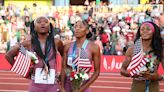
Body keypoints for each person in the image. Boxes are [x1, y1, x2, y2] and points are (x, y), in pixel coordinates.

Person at [5, 16, 64, 92]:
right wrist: (24, 71)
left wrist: (62, 73)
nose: (42, 24)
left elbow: (64, 56)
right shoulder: (28, 43)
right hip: (36, 85)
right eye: (39, 22)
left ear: (50, 27)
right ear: (34, 27)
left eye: (46, 22)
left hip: (53, 84)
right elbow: (8, 55)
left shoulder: (56, 42)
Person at [120, 21, 164, 92]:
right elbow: (122, 70)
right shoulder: (132, 49)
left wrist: (158, 77)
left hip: (153, 88)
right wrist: (132, 74)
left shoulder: (160, 50)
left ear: (154, 32)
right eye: (142, 29)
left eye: (148, 29)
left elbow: (160, 77)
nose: (144, 31)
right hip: (136, 88)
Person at [60, 20, 100, 92]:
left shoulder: (94, 48)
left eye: (80, 27)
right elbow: (64, 68)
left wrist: (82, 88)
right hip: (67, 84)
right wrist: (62, 87)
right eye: (75, 27)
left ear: (87, 31)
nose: (77, 29)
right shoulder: (67, 47)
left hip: (83, 84)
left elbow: (97, 72)